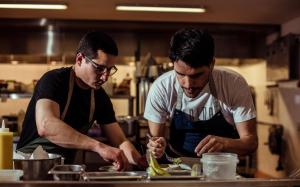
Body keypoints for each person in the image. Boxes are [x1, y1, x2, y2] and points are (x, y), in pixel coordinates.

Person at [17, 31, 144, 171]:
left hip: (64, 170)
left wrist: (142, 162)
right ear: (79, 59)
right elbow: (46, 126)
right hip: (29, 167)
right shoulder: (54, 80)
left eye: (109, 70)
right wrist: (99, 147)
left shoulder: (100, 97)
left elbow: (120, 141)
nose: (105, 77)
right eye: (99, 68)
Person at [144, 27, 258, 160]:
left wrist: (224, 143)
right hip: (177, 165)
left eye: (196, 76)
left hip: (221, 166)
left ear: (212, 64)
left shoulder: (233, 84)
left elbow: (251, 143)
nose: (188, 84)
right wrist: (156, 146)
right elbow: (155, 139)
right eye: (180, 74)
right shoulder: (162, 87)